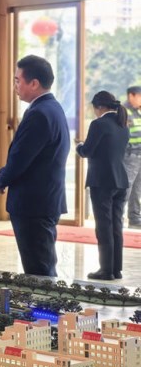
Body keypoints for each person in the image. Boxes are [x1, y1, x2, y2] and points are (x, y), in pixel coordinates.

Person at [0, 55, 70, 277]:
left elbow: (21, 158)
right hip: (43, 200)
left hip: (34, 204)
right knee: (41, 264)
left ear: (34, 83)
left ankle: (45, 301)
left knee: (39, 270)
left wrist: (1, 178)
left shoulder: (39, 113)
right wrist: (2, 173)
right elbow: (31, 155)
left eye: (18, 80)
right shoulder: (52, 108)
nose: (15, 86)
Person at [76, 91, 129, 280]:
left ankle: (106, 270)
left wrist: (78, 146)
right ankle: (116, 269)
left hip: (102, 182)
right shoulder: (123, 125)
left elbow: (87, 151)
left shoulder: (98, 124)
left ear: (98, 107)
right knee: (116, 226)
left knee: (104, 226)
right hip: (120, 180)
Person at [123, 85, 141, 229]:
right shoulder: (124, 111)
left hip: (139, 154)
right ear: (131, 96)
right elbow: (124, 134)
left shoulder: (138, 111)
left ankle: (134, 219)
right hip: (130, 155)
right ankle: (118, 217)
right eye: (140, 97)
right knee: (126, 188)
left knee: (137, 188)